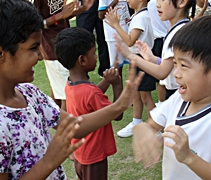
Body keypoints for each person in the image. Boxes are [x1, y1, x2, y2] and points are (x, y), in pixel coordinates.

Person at [0, 0, 143, 179]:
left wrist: (119, 106)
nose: (39, 56)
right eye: (33, 48)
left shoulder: (30, 93)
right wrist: (49, 161)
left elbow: (74, 125)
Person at [133, 15, 211, 180]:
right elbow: (152, 124)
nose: (175, 73)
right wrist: (144, 130)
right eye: (175, 63)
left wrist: (189, 157)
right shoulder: (179, 98)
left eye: (183, 65)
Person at [55, 27, 123, 180]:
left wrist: (106, 80)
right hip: (94, 156)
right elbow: (117, 114)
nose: (97, 56)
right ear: (82, 60)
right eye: (94, 52)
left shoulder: (71, 84)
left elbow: (91, 96)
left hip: (81, 153)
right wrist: (117, 84)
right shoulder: (90, 92)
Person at [114, 0, 196, 100]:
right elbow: (172, 65)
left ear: (182, 2)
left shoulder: (178, 33)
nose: (157, 4)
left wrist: (131, 56)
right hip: (178, 91)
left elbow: (162, 73)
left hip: (179, 93)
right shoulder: (179, 28)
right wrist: (154, 59)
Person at [104, 0, 156, 138]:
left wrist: (116, 25)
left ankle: (157, 128)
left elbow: (129, 40)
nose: (127, 0)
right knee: (137, 94)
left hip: (143, 60)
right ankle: (136, 122)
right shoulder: (138, 15)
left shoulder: (142, 17)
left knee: (145, 96)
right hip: (137, 59)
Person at [33, 0, 94, 111]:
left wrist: (83, 9)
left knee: (59, 89)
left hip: (64, 45)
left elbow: (63, 17)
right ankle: (67, 125)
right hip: (52, 49)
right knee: (67, 94)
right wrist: (60, 15)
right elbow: (34, 25)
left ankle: (56, 122)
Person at [98, 0, 130, 82]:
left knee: (134, 63)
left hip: (128, 34)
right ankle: (119, 92)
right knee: (117, 67)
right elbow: (101, 15)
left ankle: (134, 92)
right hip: (113, 36)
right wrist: (115, 2)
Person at [76, 0, 110, 77]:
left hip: (102, 4)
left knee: (104, 39)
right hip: (85, 5)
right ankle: (82, 73)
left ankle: (105, 70)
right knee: (83, 41)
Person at [148, 0, 170, 104]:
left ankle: (162, 103)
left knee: (161, 77)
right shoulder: (159, 3)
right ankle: (162, 102)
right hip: (161, 39)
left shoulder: (151, 4)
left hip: (159, 41)